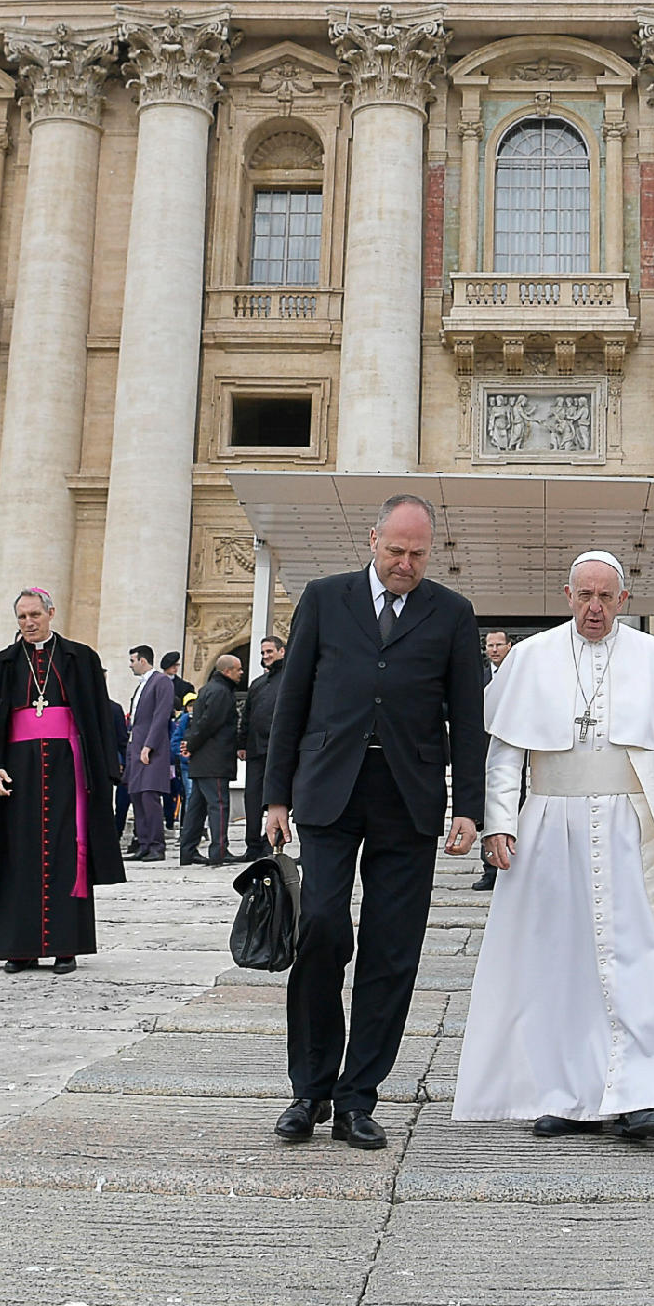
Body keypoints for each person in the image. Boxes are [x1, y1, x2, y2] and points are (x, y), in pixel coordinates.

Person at [460, 551, 654, 1139]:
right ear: (567, 596)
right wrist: (498, 824)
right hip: (549, 825)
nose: (595, 607)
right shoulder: (532, 657)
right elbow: (505, 753)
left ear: (623, 600)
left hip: (631, 826)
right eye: (585, 595)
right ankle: (564, 1095)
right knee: (557, 959)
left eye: (606, 597)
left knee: (639, 955)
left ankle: (643, 1093)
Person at [262, 492, 486, 1150]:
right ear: (372, 540)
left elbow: (467, 718)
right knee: (321, 929)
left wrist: (469, 806)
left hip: (408, 799)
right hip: (328, 790)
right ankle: (309, 1089)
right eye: (396, 551)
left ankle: (358, 1097)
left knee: (392, 950)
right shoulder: (324, 599)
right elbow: (292, 699)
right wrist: (275, 796)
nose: (405, 564)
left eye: (417, 554)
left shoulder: (453, 613)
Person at [0, 585, 120, 973]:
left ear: (51, 614)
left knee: (67, 851)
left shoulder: (80, 659)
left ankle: (66, 946)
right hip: (17, 773)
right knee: (17, 854)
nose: (28, 623)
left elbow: (97, 719)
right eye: (22, 617)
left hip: (68, 769)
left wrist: (102, 770)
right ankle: (19, 947)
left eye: (35, 615)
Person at [178, 649, 244, 868]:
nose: (241, 673)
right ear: (227, 671)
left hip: (202, 760)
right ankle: (219, 851)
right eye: (238, 669)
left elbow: (198, 722)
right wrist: (191, 744)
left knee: (196, 808)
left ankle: (187, 851)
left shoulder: (207, 689)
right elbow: (209, 723)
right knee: (219, 805)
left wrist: (191, 744)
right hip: (214, 760)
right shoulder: (221, 692)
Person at [123, 647, 177, 860]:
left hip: (151, 749)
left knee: (149, 795)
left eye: (132, 660)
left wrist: (149, 745)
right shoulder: (141, 685)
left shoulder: (161, 681)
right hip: (134, 746)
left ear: (143, 660)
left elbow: (161, 715)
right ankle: (143, 844)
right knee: (136, 795)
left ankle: (156, 845)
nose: (130, 665)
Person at [238, 631, 288, 860]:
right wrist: (241, 744)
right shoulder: (257, 684)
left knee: (277, 798)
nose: (266, 655)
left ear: (281, 651)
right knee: (252, 798)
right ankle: (252, 845)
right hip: (256, 750)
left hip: (279, 750)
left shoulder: (290, 679)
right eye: (263, 652)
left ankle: (272, 845)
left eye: (270, 651)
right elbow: (246, 717)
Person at [472, 626, 512, 890]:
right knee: (486, 810)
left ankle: (511, 869)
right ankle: (489, 870)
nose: (494, 650)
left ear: (509, 646)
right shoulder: (478, 676)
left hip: (512, 747)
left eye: (498, 645)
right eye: (490, 646)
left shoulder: (519, 675)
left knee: (512, 808)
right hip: (483, 749)